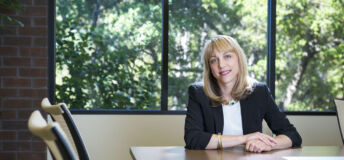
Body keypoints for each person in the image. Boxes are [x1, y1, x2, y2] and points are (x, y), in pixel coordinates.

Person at [184, 35, 302, 152]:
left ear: (239, 59)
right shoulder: (198, 93)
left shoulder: (259, 92)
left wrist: (268, 145)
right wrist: (245, 139)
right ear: (209, 68)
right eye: (214, 60)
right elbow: (193, 138)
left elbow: (292, 135)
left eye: (227, 56)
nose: (221, 65)